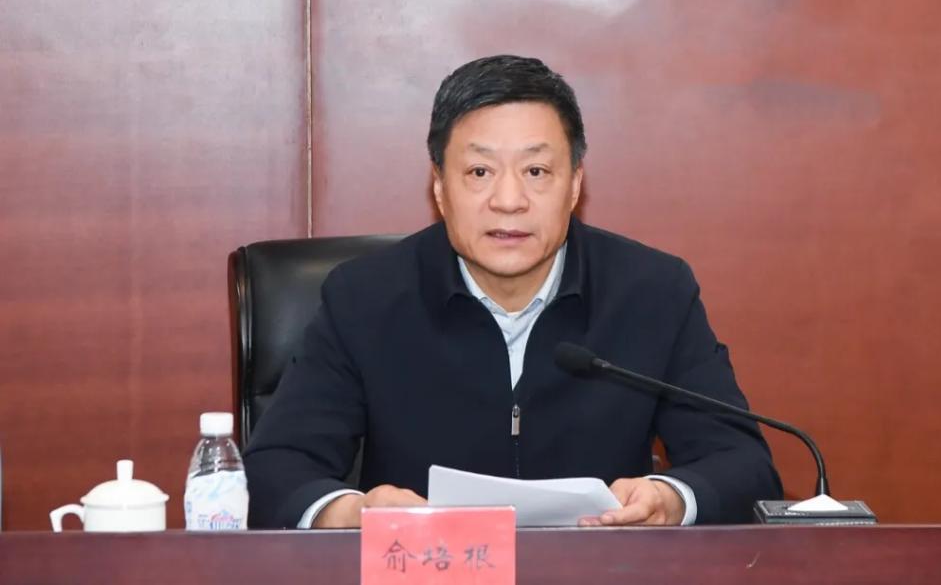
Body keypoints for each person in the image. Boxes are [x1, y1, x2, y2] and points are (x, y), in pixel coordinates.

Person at [244, 55, 782, 529]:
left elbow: (743, 464)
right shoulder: (364, 298)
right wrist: (350, 512)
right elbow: (275, 467)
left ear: (575, 184)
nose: (508, 200)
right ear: (439, 186)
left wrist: (670, 498)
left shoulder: (652, 292)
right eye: (479, 171)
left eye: (536, 170)